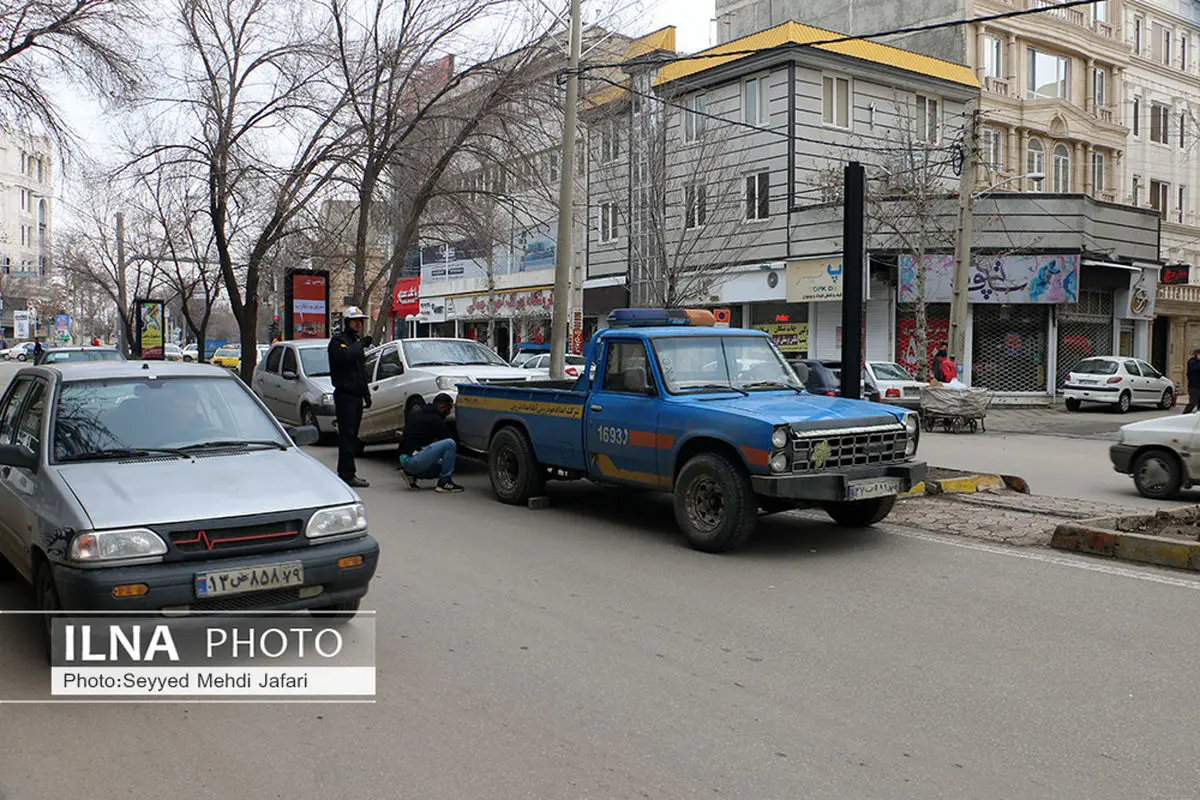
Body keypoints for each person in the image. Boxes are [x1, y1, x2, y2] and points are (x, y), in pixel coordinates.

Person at [328, 307, 373, 488]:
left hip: (355, 396)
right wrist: (361, 344)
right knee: (346, 436)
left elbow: (360, 372)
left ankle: (348, 471)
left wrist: (366, 394)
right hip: (345, 396)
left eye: (360, 321)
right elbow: (345, 357)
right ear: (347, 322)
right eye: (355, 321)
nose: (358, 324)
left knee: (352, 436)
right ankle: (346, 474)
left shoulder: (354, 342)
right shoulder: (339, 342)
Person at [397, 393, 464, 493]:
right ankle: (444, 482)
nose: (449, 412)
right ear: (441, 406)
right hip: (413, 460)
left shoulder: (419, 413)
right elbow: (450, 440)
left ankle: (410, 474)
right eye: (448, 409)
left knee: (444, 465)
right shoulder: (435, 419)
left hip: (404, 458)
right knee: (450, 444)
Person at [1185, 348, 1200, 413]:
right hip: (1194, 386)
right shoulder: (1192, 362)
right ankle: (1185, 414)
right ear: (1197, 355)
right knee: (1193, 402)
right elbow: (1195, 369)